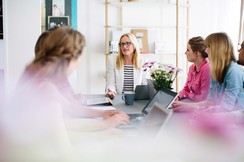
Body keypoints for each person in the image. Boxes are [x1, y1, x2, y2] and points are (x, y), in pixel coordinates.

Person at [1, 26, 130, 161]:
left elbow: (59, 126)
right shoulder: (44, 88)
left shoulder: (33, 75)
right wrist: (105, 130)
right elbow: (66, 154)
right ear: (70, 59)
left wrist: (103, 130)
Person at [27, 27, 126, 119]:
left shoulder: (44, 77)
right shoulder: (44, 86)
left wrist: (102, 114)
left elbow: (69, 106)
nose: (78, 61)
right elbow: (67, 122)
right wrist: (105, 126)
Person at [172, 32, 244, 112]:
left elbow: (226, 108)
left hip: (235, 121)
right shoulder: (215, 70)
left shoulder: (234, 72)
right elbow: (211, 101)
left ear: (216, 49)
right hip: (222, 117)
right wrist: (187, 105)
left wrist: (193, 108)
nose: (205, 51)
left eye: (207, 47)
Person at [105, 33, 147, 99]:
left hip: (137, 99)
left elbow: (145, 83)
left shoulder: (143, 61)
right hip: (119, 99)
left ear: (134, 45)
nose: (124, 46)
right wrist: (111, 91)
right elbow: (110, 82)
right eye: (122, 44)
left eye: (128, 43)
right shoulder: (112, 60)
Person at [177, 36, 211, 102]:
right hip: (194, 103)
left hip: (202, 107)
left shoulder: (207, 68)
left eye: (188, 50)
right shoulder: (192, 68)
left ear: (197, 53)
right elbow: (186, 89)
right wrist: (178, 96)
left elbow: (203, 98)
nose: (185, 53)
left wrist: (188, 94)